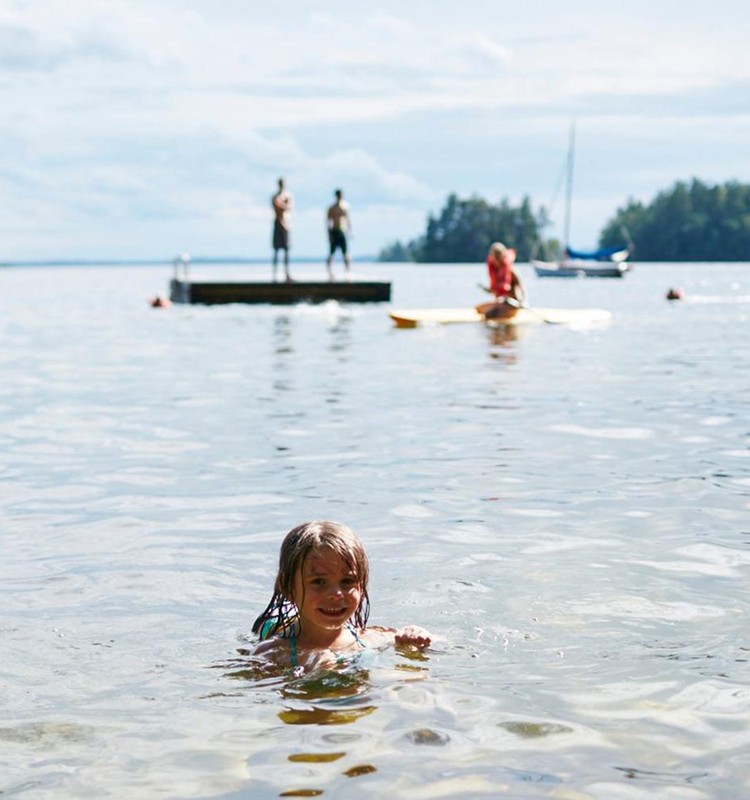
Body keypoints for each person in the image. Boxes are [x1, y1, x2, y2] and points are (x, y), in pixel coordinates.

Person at [251, 520, 432, 676]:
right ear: (288, 586)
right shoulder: (272, 653)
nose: (337, 594)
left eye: (348, 581)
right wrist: (306, 673)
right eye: (319, 581)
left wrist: (415, 637)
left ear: (362, 585)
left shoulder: (371, 639)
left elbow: (441, 644)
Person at [479, 241, 526, 320]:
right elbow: (495, 289)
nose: (496, 260)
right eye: (494, 257)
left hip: (512, 303)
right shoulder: (495, 270)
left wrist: (523, 301)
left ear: (502, 256)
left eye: (498, 257)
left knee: (489, 314)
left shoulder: (512, 272)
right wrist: (486, 289)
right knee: (479, 309)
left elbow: (521, 290)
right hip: (501, 302)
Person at [326, 188, 352, 279]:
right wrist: (329, 234)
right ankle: (329, 272)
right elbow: (328, 222)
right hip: (334, 231)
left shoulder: (345, 207)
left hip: (342, 231)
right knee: (331, 253)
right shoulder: (332, 208)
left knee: (345, 253)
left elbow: (348, 220)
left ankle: (348, 271)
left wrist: (350, 231)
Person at [271, 177, 293, 282]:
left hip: (286, 224)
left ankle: (286, 274)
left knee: (286, 250)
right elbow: (277, 205)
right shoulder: (275, 196)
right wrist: (283, 203)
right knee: (276, 250)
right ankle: (275, 274)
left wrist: (283, 203)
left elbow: (289, 207)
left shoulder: (287, 196)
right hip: (278, 224)